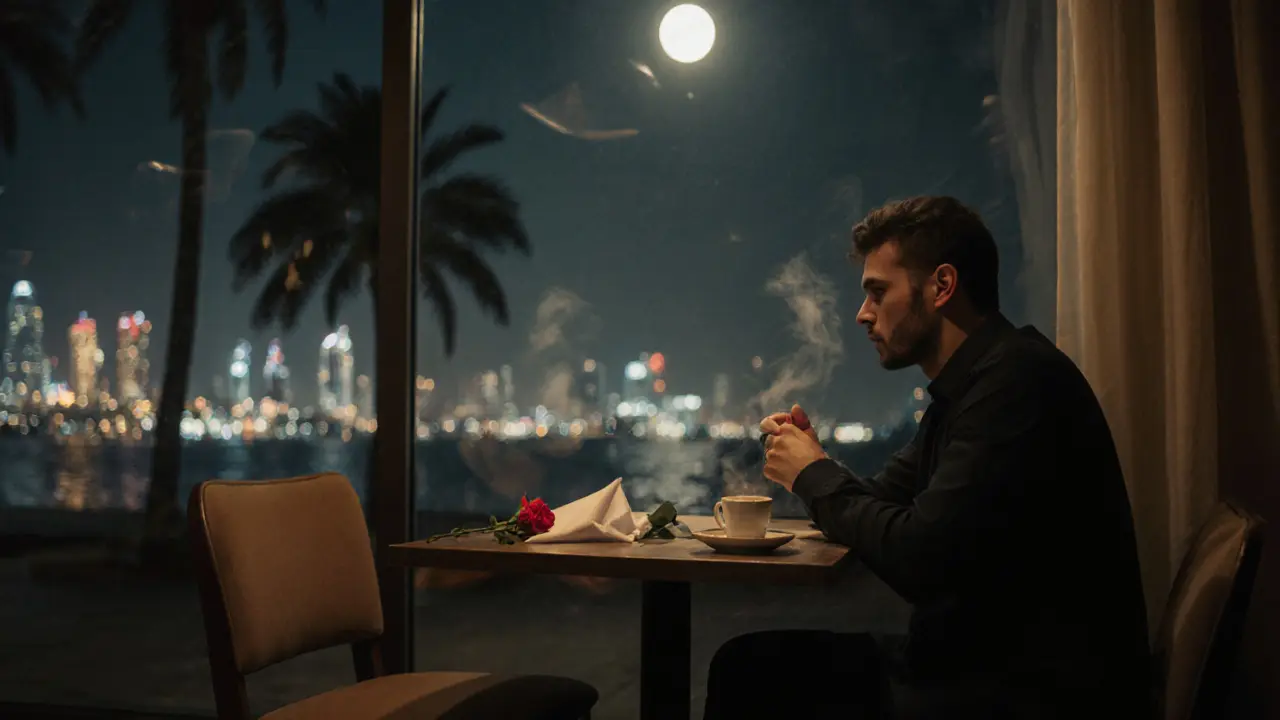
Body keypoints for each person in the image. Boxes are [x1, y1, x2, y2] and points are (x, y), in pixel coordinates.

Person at [704, 197, 1153, 719]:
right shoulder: (967, 389)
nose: (862, 314)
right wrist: (817, 462)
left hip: (1022, 691)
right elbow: (880, 504)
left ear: (942, 286)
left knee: (751, 672)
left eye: (877, 292)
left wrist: (813, 475)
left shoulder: (1016, 384)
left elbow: (920, 558)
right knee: (749, 663)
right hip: (971, 667)